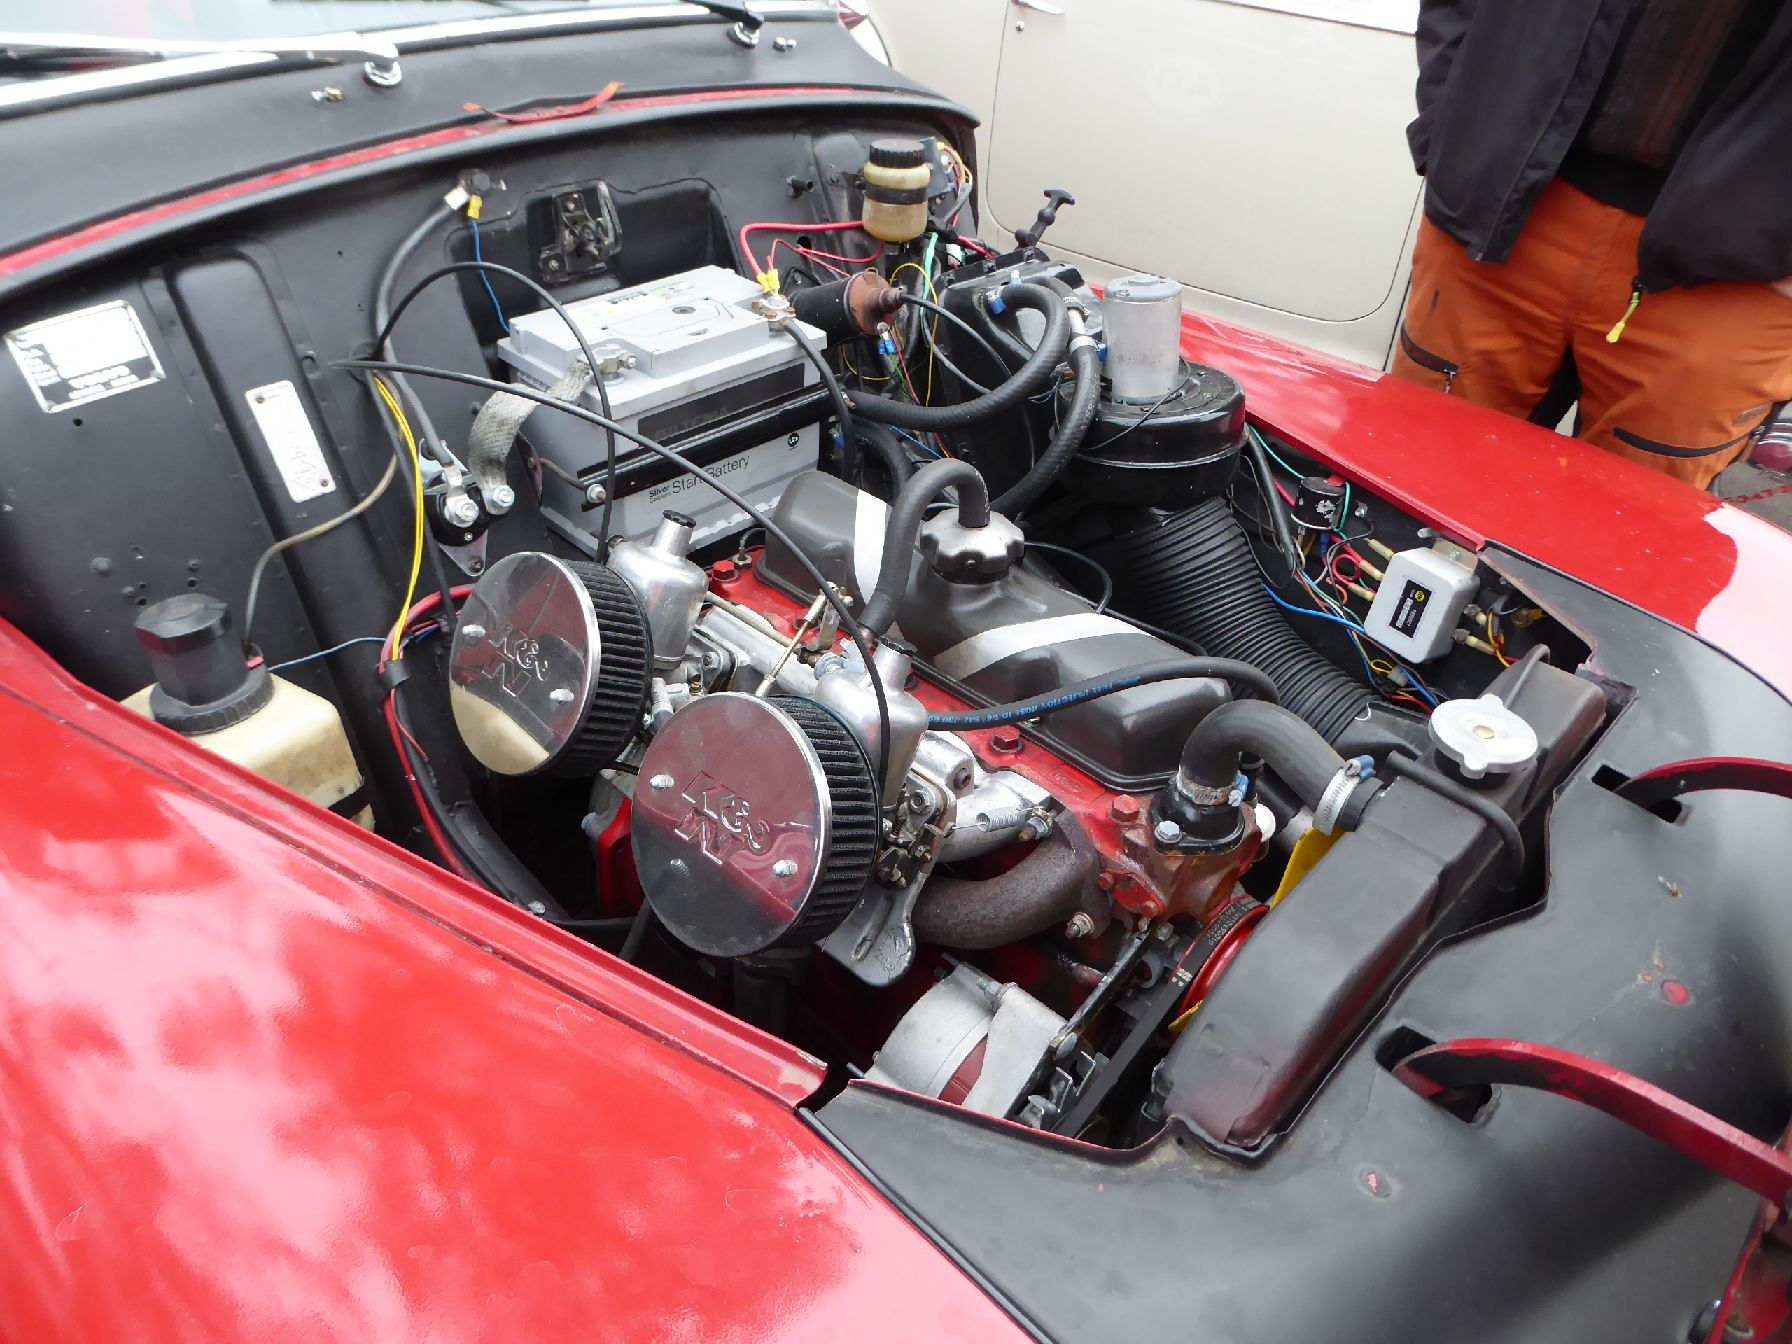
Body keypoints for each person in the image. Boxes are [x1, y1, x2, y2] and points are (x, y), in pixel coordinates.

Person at [1391, 0, 1792, 491]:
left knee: (1632, 520)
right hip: (1507, 218)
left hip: (1733, 274)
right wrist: (1449, 129)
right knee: (1418, 478)